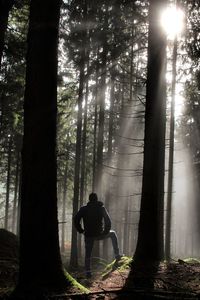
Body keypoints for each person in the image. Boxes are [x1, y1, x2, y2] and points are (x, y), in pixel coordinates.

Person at [74, 192, 123, 278]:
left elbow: (76, 220)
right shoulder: (101, 208)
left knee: (88, 254)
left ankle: (88, 273)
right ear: (96, 199)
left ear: (89, 199)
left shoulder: (83, 209)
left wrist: (81, 231)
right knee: (113, 234)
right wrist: (105, 231)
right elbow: (108, 221)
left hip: (88, 235)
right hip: (99, 234)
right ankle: (117, 255)